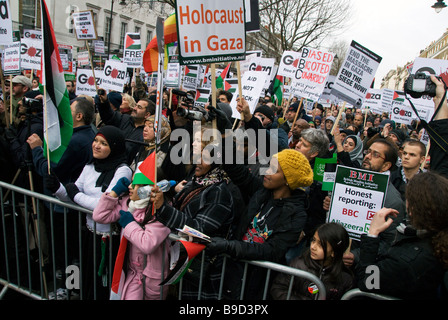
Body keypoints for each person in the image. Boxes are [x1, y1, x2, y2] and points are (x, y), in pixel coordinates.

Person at [204, 148, 314, 299]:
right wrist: (222, 150)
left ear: (288, 179)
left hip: (257, 282)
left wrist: (229, 246)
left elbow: (272, 251)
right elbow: (241, 175)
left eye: (274, 170)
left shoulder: (296, 214)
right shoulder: (262, 192)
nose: (266, 172)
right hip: (233, 271)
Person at [45, 126, 132, 300]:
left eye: (103, 143)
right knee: (88, 280)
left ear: (114, 147)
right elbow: (71, 197)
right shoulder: (90, 165)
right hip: (88, 234)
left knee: (104, 285)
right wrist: (58, 188)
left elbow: (101, 206)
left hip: (110, 239)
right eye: (96, 141)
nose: (96, 146)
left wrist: (75, 194)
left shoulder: (123, 171)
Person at [151, 126, 234, 300]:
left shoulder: (219, 191)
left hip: (200, 271)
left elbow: (199, 229)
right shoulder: (196, 180)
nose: (197, 160)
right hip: (180, 261)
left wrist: (163, 208)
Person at [27, 97, 97, 286]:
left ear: (79, 116)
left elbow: (50, 171)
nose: (65, 113)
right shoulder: (87, 133)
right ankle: (71, 285)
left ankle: (68, 288)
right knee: (71, 249)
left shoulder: (76, 141)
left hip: (64, 206)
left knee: (65, 249)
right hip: (72, 205)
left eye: (69, 110)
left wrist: (37, 150)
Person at [354, 171, 448, 299]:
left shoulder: (406, 262)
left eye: (408, 199)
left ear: (414, 208)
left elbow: (369, 281)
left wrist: (372, 234)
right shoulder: (437, 237)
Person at [93, 167, 171, 300]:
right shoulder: (129, 203)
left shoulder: (162, 211)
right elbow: (99, 216)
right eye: (131, 181)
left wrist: (129, 224)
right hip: (133, 273)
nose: (130, 186)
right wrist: (114, 193)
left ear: (147, 189)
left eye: (136, 184)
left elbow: (148, 244)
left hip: (152, 278)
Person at [270, 222, 354, 300]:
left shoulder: (345, 279)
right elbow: (278, 289)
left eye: (320, 245)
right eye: (313, 240)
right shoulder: (298, 265)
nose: (313, 247)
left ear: (334, 252)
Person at [95, 88, 155, 165]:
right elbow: (109, 116)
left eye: (139, 107)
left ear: (147, 115)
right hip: (109, 162)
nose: (134, 108)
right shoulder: (124, 118)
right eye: (136, 105)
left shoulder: (147, 133)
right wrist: (104, 102)